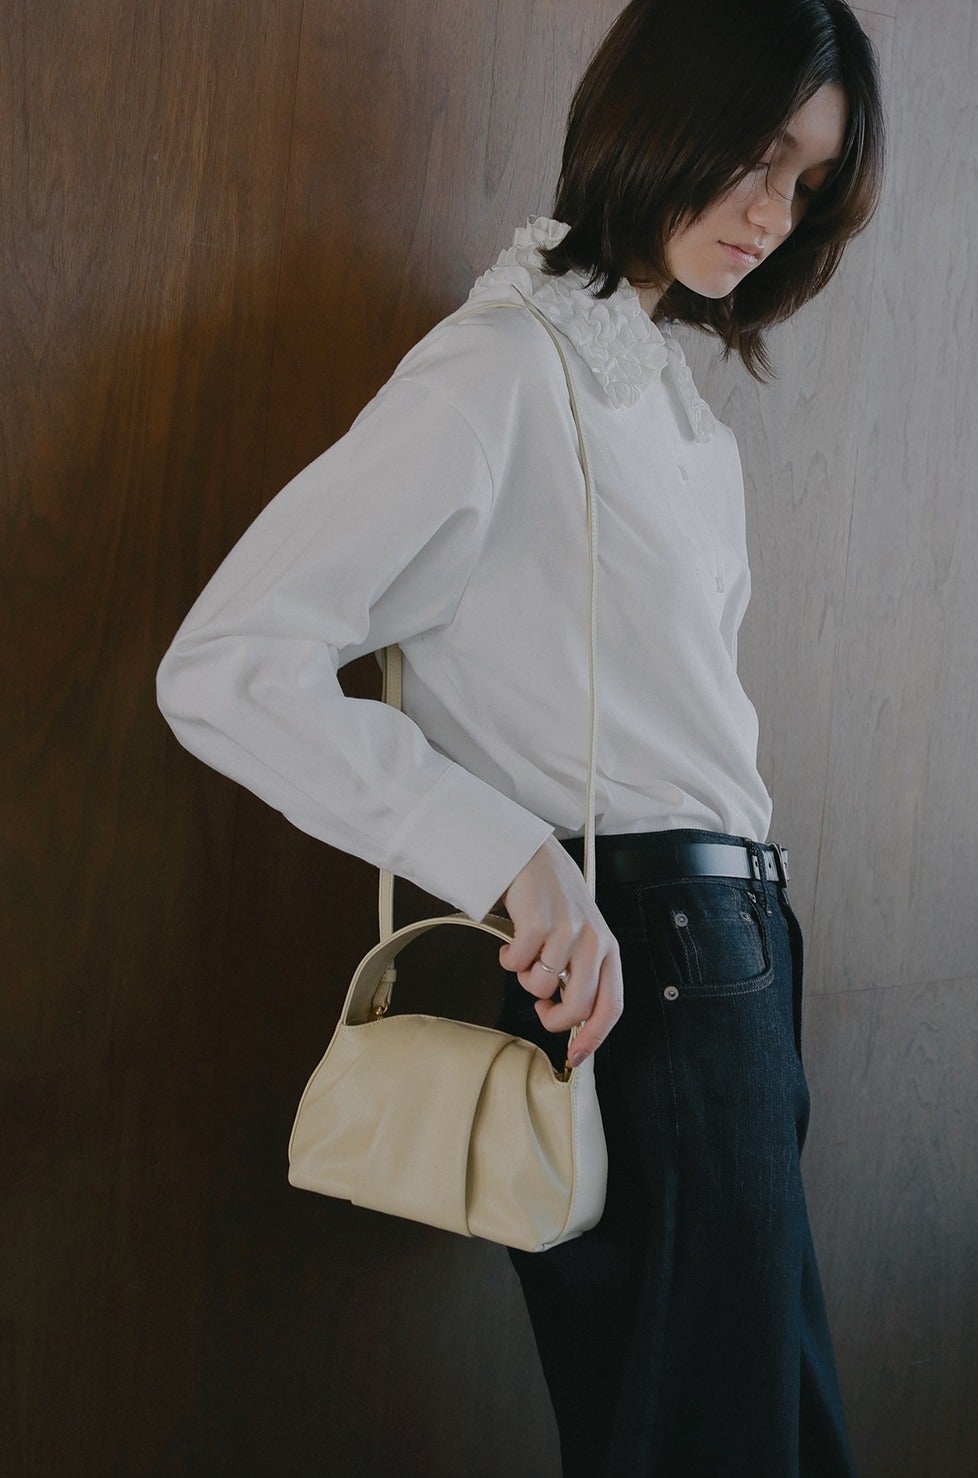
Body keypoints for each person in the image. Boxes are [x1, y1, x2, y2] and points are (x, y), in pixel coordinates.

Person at [157, 0, 885, 1471]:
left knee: (758, 1429)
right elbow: (227, 667)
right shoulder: (500, 370)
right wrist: (509, 858)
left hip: (734, 965)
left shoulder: (671, 409)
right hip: (643, 959)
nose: (772, 214)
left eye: (808, 184)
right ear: (659, 110)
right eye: (758, 155)